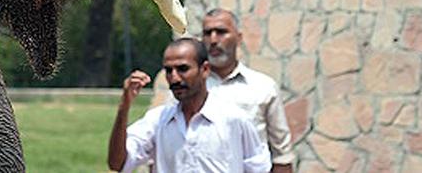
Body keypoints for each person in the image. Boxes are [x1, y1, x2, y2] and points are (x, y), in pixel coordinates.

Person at [108, 38, 271, 173]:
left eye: (183, 69)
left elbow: (258, 168)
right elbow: (118, 164)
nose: (175, 78)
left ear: (205, 69)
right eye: (169, 71)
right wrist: (124, 107)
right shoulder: (158, 121)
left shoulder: (234, 119)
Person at [201, 9, 295, 173]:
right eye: (208, 33)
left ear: (239, 38)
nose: (213, 40)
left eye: (221, 32)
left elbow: (281, 155)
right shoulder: (190, 88)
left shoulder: (263, 87)